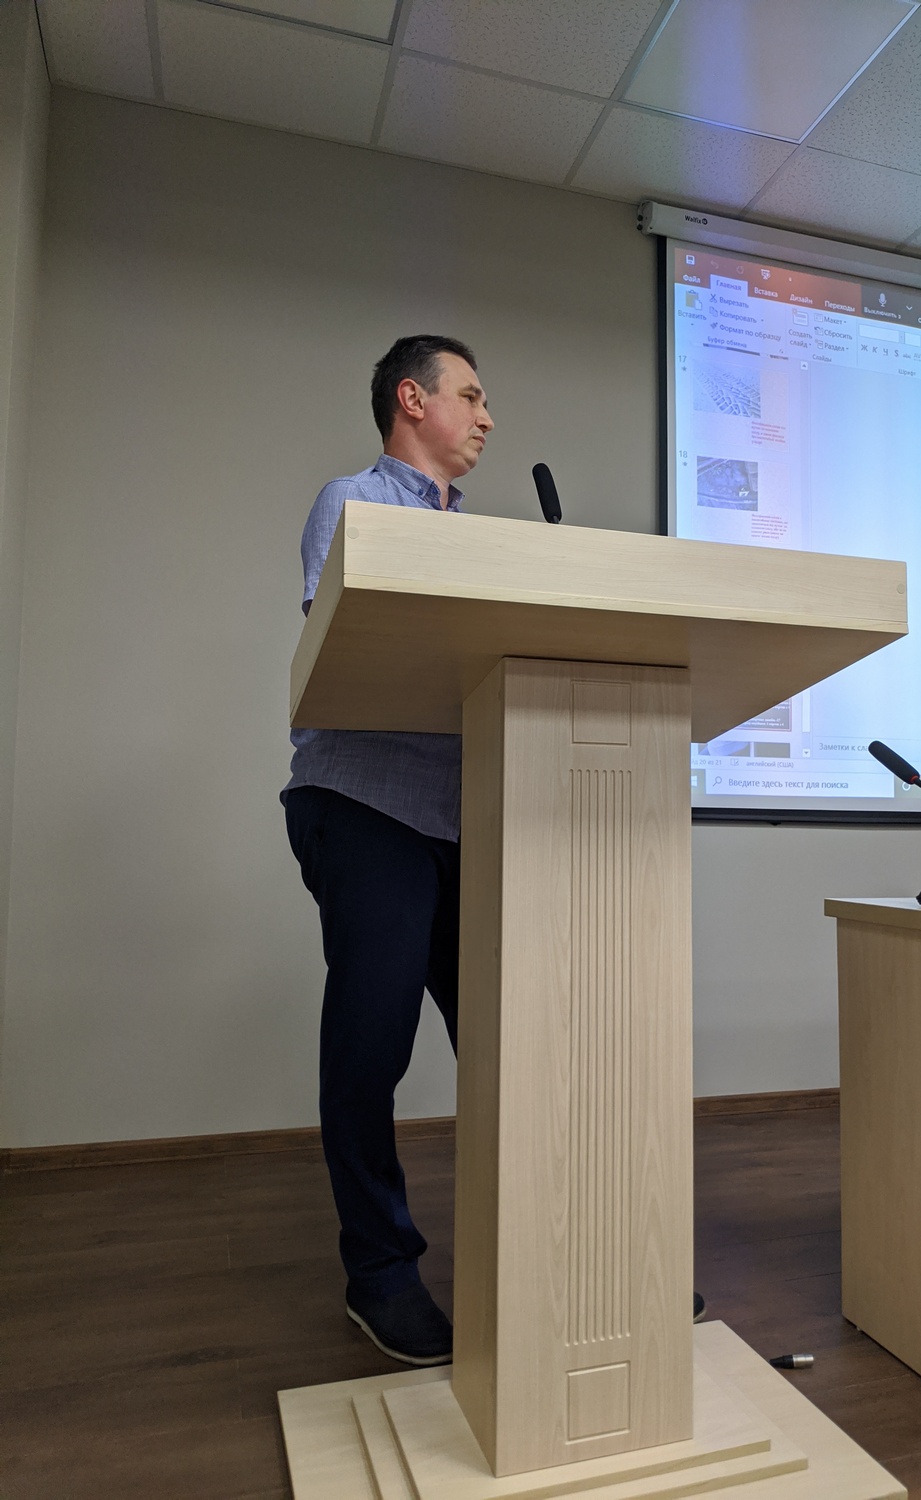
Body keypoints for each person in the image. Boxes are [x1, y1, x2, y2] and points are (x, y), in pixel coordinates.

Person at [282, 335, 494, 1366]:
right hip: (365, 804)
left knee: (508, 1042)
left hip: (465, 816)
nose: (487, 417)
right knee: (374, 1045)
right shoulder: (353, 501)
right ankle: (380, 1274)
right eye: (471, 395)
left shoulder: (481, 537)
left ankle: (568, 1246)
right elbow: (356, 637)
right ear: (413, 400)